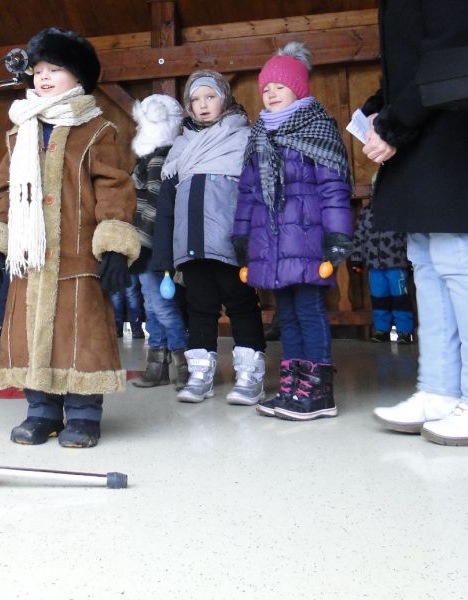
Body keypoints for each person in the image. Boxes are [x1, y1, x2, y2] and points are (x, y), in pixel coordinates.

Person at [0, 27, 139, 448]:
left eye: (56, 69)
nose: (44, 77)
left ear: (78, 76)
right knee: (30, 335)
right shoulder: (20, 131)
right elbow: (1, 189)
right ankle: (42, 412)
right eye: (39, 70)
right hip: (30, 258)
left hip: (76, 257)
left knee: (79, 337)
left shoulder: (96, 129)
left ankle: (83, 415)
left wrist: (114, 243)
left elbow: (113, 186)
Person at [361, 0, 468, 446]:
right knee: (425, 262)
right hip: (421, 132)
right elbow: (409, 64)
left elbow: (450, 58)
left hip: (448, 137)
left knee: (456, 263)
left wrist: (396, 124)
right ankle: (438, 388)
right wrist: (380, 107)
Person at [233, 43, 352, 421]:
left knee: (309, 310)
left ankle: (318, 391)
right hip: (271, 244)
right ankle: (293, 386)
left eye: (279, 87)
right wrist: (241, 238)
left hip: (308, 241)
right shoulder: (258, 137)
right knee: (286, 314)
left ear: (298, 89)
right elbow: (247, 194)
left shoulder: (317, 130)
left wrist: (337, 237)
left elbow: (333, 189)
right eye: (266, 88)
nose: (270, 94)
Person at [151, 70, 266, 405]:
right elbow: (167, 206)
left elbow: (257, 194)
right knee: (199, 308)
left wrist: (254, 242)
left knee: (242, 304)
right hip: (191, 245)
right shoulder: (180, 148)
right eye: (195, 99)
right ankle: (200, 374)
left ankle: (250, 375)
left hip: (232, 243)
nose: (202, 105)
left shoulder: (244, 139)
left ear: (224, 99)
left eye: (210, 97)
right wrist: (164, 256)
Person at [128, 94, 190, 390]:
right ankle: (158, 365)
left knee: (162, 307)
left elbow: (153, 207)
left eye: (141, 123)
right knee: (153, 306)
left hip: (151, 246)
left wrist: (141, 244)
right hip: (148, 246)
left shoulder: (156, 160)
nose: (137, 129)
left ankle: (182, 364)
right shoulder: (155, 158)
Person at [349, 194, 414, 344]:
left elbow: (408, 237)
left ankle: (404, 331)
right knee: (378, 299)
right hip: (374, 266)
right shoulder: (367, 211)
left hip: (397, 264)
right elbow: (359, 236)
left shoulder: (400, 211)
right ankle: (381, 330)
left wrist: (410, 260)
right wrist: (356, 259)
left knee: (400, 299)